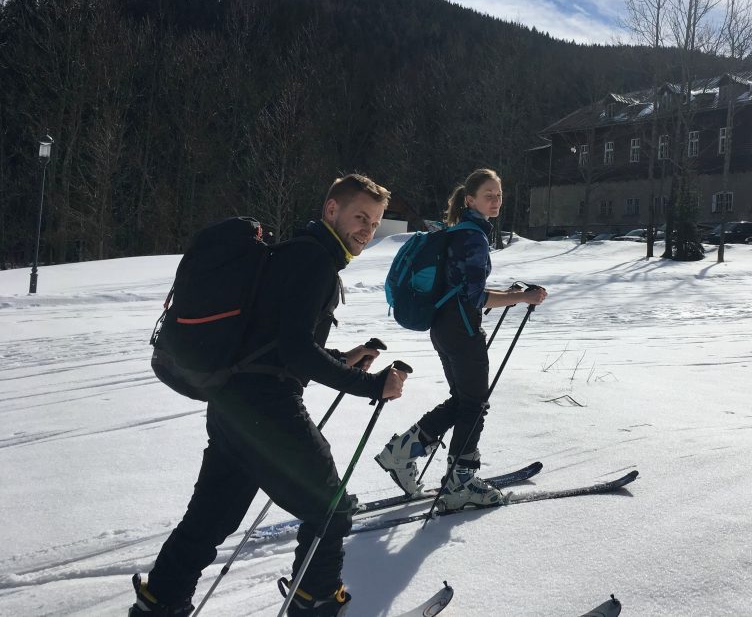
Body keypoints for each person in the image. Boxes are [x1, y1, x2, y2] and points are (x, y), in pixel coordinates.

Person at [130, 174, 407, 617]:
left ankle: (159, 604)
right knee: (329, 509)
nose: (367, 230)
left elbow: (277, 345)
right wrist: (373, 385)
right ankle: (315, 605)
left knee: (210, 520)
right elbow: (296, 350)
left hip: (231, 404)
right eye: (360, 217)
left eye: (374, 223)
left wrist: (343, 357)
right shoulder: (315, 261)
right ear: (331, 210)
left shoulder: (291, 256)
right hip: (267, 408)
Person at [375, 168, 546, 510]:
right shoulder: (473, 238)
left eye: (498, 195)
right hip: (462, 331)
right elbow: (475, 297)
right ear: (470, 200)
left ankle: (401, 454)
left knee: (462, 400)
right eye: (489, 195)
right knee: (474, 405)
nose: (496, 201)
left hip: (444, 327)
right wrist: (522, 298)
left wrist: (510, 294)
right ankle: (460, 482)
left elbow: (464, 290)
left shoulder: (460, 233)